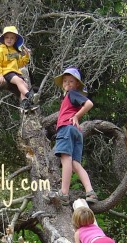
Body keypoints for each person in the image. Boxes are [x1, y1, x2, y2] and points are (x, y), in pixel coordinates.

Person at [45, 67, 97, 205]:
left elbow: (89, 103)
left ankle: (64, 193)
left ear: (77, 84)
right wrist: (75, 116)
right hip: (75, 131)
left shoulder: (72, 94)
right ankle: (90, 192)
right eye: (65, 81)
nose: (67, 83)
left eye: (71, 81)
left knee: (66, 159)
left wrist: (77, 116)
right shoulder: (69, 97)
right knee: (75, 163)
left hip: (66, 129)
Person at [0, 26, 38, 110]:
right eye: (7, 37)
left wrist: (27, 55)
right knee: (19, 81)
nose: (9, 39)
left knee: (25, 85)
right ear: (3, 38)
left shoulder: (15, 51)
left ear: (15, 39)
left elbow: (20, 63)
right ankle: (30, 96)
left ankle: (25, 104)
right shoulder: (0, 49)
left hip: (16, 73)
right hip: (6, 72)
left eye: (12, 38)